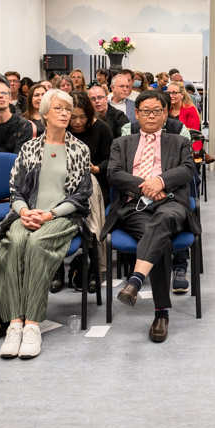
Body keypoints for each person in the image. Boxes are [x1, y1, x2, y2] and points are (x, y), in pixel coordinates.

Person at [0, 89, 92, 359]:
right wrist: (24, 211)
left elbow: (81, 195)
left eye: (67, 110)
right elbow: (15, 191)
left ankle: (33, 324)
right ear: (44, 113)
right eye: (58, 108)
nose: (64, 114)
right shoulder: (29, 148)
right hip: (26, 213)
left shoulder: (80, 149)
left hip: (62, 216)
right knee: (12, 242)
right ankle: (15, 323)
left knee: (35, 243)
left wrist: (48, 215)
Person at [107, 90, 200, 343]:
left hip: (170, 204)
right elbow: (113, 173)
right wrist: (148, 185)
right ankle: (161, 313)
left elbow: (188, 170)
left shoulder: (179, 142)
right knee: (161, 241)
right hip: (134, 207)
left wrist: (161, 182)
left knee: (161, 222)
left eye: (157, 111)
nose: (151, 115)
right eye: (145, 111)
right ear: (136, 114)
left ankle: (135, 280)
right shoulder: (122, 143)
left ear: (165, 113)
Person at [47, 92, 112, 293]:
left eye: (81, 117)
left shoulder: (101, 129)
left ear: (90, 115)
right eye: (72, 117)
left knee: (87, 191)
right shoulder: (58, 130)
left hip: (97, 185)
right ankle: (56, 269)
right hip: (61, 186)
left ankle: (94, 267)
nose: (76, 122)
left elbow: (112, 161)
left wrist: (96, 169)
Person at [167, 81, 203, 152]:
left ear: (182, 95)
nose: (171, 95)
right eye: (169, 93)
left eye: (174, 93)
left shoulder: (190, 109)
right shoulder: (166, 110)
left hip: (187, 147)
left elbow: (193, 134)